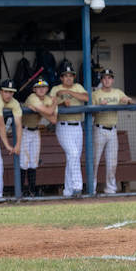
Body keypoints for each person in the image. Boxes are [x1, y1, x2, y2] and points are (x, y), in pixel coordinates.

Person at [91, 69, 135, 194]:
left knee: (112, 161)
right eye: (104, 78)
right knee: (94, 161)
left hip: (112, 130)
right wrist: (99, 107)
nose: (107, 80)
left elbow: (132, 102)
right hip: (99, 129)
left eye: (109, 78)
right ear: (101, 80)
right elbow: (91, 114)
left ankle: (110, 188)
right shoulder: (95, 94)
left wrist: (128, 100)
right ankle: (91, 188)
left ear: (113, 80)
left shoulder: (117, 92)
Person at [50, 65, 90, 197]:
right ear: (61, 78)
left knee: (73, 158)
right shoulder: (56, 89)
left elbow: (86, 98)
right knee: (73, 154)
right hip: (63, 125)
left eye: (71, 76)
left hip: (77, 126)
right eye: (66, 76)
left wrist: (68, 93)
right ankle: (77, 187)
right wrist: (62, 104)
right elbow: (50, 105)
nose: (69, 78)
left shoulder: (77, 87)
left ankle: (68, 191)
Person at [21, 78, 58, 197]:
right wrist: (54, 104)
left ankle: (32, 190)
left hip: (35, 131)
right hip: (24, 131)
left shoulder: (47, 99)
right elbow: (49, 112)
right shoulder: (32, 98)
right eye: (38, 87)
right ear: (34, 89)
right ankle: (21, 191)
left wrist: (40, 110)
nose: (41, 89)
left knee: (34, 162)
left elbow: (53, 119)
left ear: (47, 89)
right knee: (24, 162)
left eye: (43, 87)